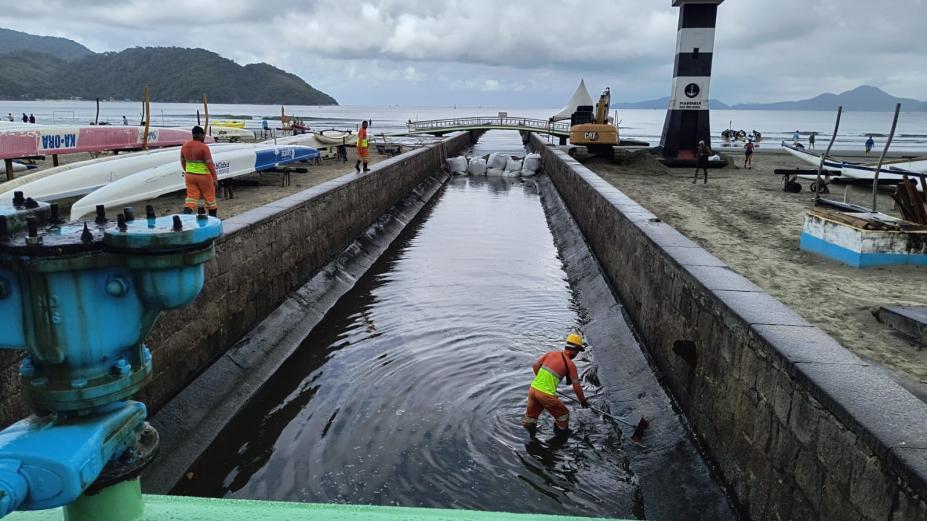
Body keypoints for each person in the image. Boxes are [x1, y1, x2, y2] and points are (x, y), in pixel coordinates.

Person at [522, 332, 589, 438]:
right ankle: (559, 439)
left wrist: (542, 381)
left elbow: (535, 365)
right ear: (575, 349)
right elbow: (576, 386)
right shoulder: (570, 365)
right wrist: (583, 401)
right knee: (563, 415)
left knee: (530, 418)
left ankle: (528, 438)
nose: (577, 354)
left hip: (533, 389)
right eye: (578, 351)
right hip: (545, 394)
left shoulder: (550, 354)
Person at [180, 126, 218, 217]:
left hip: (189, 175)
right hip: (203, 175)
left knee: (191, 198)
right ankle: (213, 219)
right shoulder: (204, 147)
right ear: (201, 135)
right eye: (203, 135)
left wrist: (187, 170)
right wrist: (215, 178)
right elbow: (209, 163)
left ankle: (185, 217)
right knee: (210, 198)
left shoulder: (185, 145)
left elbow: (182, 160)